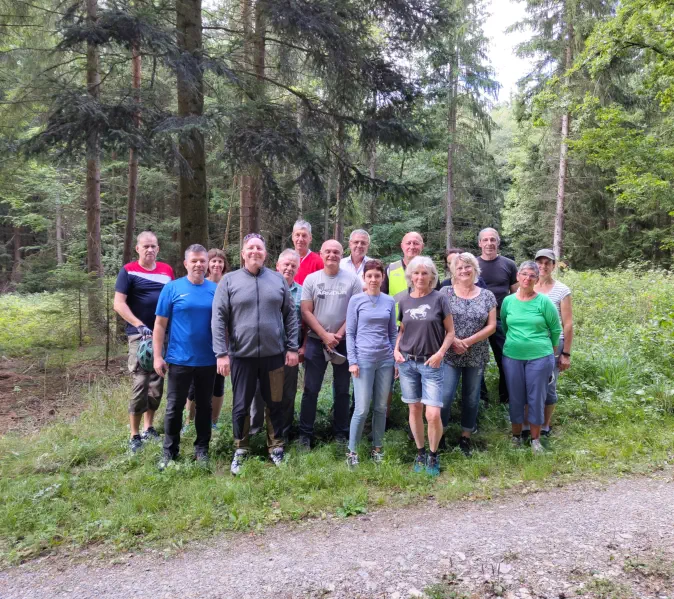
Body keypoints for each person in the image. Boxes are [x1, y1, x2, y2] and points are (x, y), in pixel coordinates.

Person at [211, 234, 299, 475]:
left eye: (259, 248)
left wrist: (292, 347)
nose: (255, 252)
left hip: (274, 355)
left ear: (265, 254)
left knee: (276, 402)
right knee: (241, 405)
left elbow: (290, 316)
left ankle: (276, 446)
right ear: (243, 253)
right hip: (242, 356)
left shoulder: (277, 280)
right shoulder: (229, 281)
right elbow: (218, 318)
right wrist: (221, 353)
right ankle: (241, 448)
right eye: (250, 248)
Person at [153, 245, 218, 466]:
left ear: (207, 264)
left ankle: (202, 450)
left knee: (204, 407)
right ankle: (169, 452)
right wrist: (158, 356)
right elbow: (160, 325)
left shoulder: (215, 290)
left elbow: (223, 325)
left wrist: (224, 353)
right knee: (174, 407)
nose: (199, 264)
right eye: (194, 261)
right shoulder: (172, 288)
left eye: (202, 261)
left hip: (208, 359)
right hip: (179, 359)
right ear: (186, 264)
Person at [113, 231, 175, 453]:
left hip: (163, 334)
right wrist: (139, 325)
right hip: (139, 335)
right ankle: (134, 434)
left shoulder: (167, 271)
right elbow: (119, 304)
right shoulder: (128, 271)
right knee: (141, 382)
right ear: (137, 249)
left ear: (158, 249)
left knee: (157, 382)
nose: (150, 249)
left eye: (153, 246)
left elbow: (172, 300)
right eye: (145, 246)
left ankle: (149, 427)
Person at [299, 240, 363, 448]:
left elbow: (355, 311)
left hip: (344, 342)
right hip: (316, 341)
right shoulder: (311, 279)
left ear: (341, 254)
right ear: (321, 253)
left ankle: (340, 433)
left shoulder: (352, 280)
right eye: (328, 251)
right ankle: (305, 435)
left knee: (343, 390)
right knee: (311, 389)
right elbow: (306, 311)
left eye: (336, 252)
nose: (332, 255)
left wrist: (338, 335)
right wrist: (324, 335)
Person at [394, 256, 455, 476]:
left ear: (432, 276)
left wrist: (440, 353)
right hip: (407, 363)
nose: (420, 277)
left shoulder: (440, 299)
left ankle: (433, 454)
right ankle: (420, 453)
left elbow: (450, 332)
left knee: (433, 414)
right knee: (414, 409)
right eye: (416, 273)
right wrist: (395, 350)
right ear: (410, 276)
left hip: (432, 363)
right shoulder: (404, 300)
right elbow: (402, 330)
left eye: (424, 273)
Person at [500, 261, 561, 454]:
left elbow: (555, 330)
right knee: (516, 397)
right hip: (512, 356)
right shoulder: (508, 301)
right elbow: (505, 325)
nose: (527, 278)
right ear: (518, 276)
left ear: (537, 279)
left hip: (540, 357)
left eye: (532, 275)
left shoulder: (544, 302)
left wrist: (550, 354)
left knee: (536, 398)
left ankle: (536, 440)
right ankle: (516, 437)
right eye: (524, 274)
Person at [439, 253, 496, 456]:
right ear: (453, 271)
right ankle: (440, 434)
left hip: (476, 354)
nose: (464, 270)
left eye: (468, 266)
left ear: (475, 269)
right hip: (449, 353)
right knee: (445, 397)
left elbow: (492, 326)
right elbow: (437, 321)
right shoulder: (445, 292)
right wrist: (454, 341)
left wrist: (468, 342)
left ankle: (465, 437)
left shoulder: (487, 295)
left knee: (471, 398)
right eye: (459, 267)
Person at [249, 249, 305, 441]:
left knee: (287, 393)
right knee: (259, 392)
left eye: (293, 265)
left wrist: (301, 347)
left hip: (290, 350)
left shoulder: (302, 293)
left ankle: (283, 433)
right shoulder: (263, 286)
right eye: (286, 264)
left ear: (298, 269)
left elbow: (305, 322)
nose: (289, 268)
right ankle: (255, 432)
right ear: (277, 266)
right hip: (264, 349)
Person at [345, 260, 397, 467]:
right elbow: (350, 333)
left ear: (383, 278)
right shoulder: (356, 300)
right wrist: (352, 361)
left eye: (377, 276)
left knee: (381, 407)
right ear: (364, 278)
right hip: (363, 360)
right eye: (370, 276)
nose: (373, 279)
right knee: (361, 409)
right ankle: (352, 451)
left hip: (385, 360)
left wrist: (394, 359)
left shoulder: (389, 301)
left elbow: (392, 333)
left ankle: (377, 448)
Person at [184, 248, 229, 431]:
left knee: (218, 382)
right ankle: (189, 422)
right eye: (213, 261)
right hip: (201, 341)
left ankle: (213, 421)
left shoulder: (228, 283)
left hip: (222, 342)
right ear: (207, 264)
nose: (217, 264)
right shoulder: (201, 283)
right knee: (194, 384)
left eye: (220, 261)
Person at [533, 248, 573, 436]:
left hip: (553, 345)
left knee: (549, 384)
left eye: (547, 263)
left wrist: (566, 353)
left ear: (554, 266)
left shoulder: (562, 290)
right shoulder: (527, 285)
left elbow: (568, 323)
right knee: (531, 385)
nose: (543, 266)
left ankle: (544, 425)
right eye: (539, 262)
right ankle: (530, 423)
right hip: (530, 345)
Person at [477, 228, 518, 404]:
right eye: (485, 240)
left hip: (502, 320)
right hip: (477, 321)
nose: (489, 243)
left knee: (505, 358)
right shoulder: (473, 265)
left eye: (493, 240)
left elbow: (516, 295)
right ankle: (481, 399)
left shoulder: (509, 265)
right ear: (479, 243)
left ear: (498, 242)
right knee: (476, 361)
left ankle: (506, 398)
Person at [292, 219, 324, 285]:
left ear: (310, 238)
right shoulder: (286, 260)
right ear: (292, 237)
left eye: (304, 235)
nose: (300, 239)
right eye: (297, 235)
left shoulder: (318, 262)